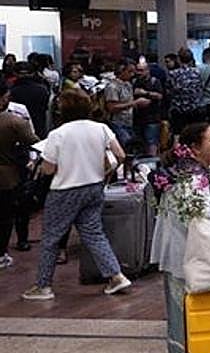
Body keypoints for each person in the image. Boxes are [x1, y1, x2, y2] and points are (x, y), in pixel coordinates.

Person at [21, 88, 133, 300]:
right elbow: (120, 154)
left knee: (51, 238)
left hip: (65, 191)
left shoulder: (58, 134)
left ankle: (43, 286)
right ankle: (116, 275)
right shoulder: (100, 128)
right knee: (93, 233)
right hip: (94, 187)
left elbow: (48, 169)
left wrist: (36, 163)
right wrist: (106, 171)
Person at [149, 122, 210, 353]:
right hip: (185, 252)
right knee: (185, 308)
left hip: (183, 250)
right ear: (195, 148)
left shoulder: (183, 172)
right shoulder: (192, 177)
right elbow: (199, 215)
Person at [0, 82, 38, 268]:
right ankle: (2, 253)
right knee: (7, 214)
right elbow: (33, 141)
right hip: (9, 173)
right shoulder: (13, 121)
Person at [7, 62, 50, 139]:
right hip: (40, 129)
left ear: (15, 73)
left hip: (17, 132)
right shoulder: (42, 89)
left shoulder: (11, 92)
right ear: (33, 73)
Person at [167, 49, 205, 135]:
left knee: (178, 134)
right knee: (195, 134)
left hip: (179, 109)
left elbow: (169, 90)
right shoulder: (198, 72)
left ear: (179, 60)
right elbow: (201, 87)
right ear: (192, 59)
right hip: (195, 109)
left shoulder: (173, 73)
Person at [104, 59, 139, 152]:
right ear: (121, 71)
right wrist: (133, 103)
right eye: (129, 71)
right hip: (117, 123)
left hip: (128, 122)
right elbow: (111, 107)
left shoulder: (128, 85)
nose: (132, 75)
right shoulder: (113, 86)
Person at [132, 61, 165, 157]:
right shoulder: (135, 82)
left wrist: (145, 93)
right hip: (137, 118)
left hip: (152, 118)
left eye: (141, 70)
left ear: (147, 71)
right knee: (138, 143)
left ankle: (151, 164)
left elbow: (159, 96)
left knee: (151, 142)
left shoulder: (154, 81)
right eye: (137, 70)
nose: (139, 73)